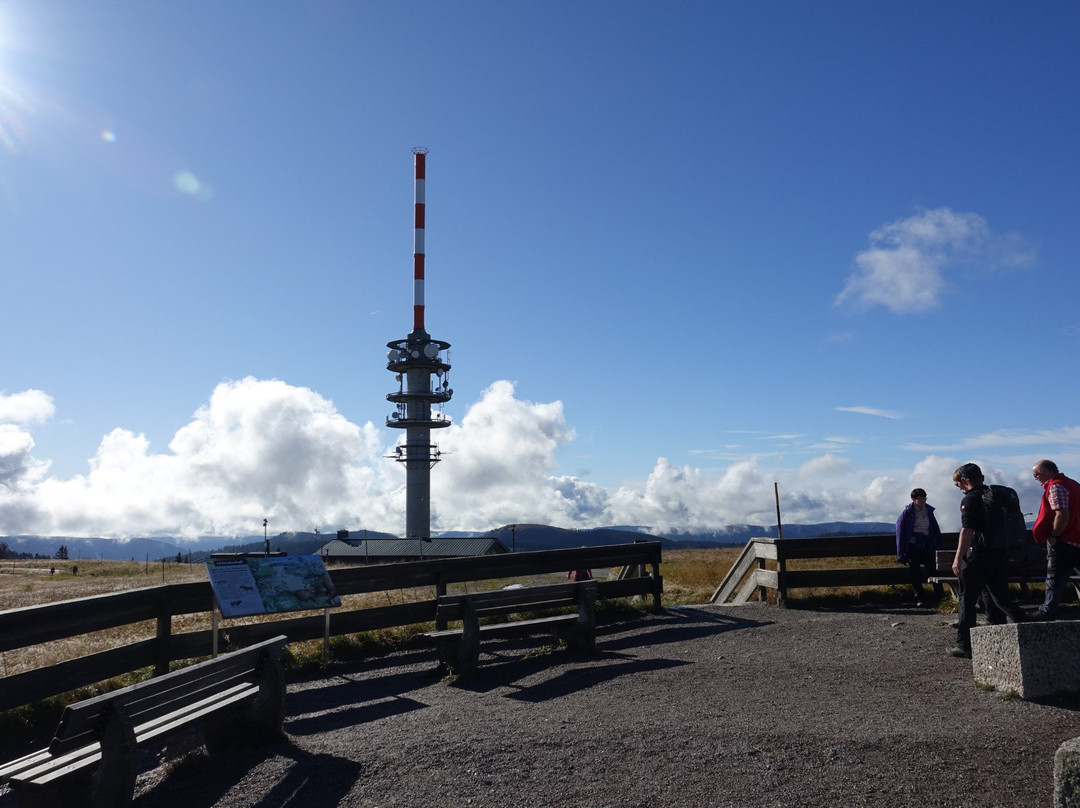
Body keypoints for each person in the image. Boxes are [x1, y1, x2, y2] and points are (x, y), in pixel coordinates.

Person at [948, 463, 1027, 658]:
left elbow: (967, 531)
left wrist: (958, 558)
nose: (958, 488)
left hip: (979, 555)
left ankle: (964, 645)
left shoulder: (971, 500)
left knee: (967, 598)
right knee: (1000, 597)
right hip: (1000, 553)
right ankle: (1027, 631)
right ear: (981, 478)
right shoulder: (997, 497)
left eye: (958, 484)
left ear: (964, 481)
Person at [1031, 459, 1080, 620]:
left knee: (1054, 578)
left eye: (1036, 474)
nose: (1035, 477)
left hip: (1064, 540)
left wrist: (1053, 535)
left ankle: (1047, 611)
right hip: (1077, 538)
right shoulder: (1073, 484)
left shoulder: (1056, 486)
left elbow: (1062, 515)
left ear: (1047, 472)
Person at [895, 488, 945, 606]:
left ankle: (940, 596)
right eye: (921, 498)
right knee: (915, 572)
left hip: (927, 545)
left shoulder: (928, 511)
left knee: (934, 569)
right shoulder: (907, 513)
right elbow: (901, 532)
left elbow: (934, 529)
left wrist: (937, 545)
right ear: (914, 499)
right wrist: (902, 552)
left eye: (924, 498)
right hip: (913, 546)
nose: (923, 501)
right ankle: (920, 598)